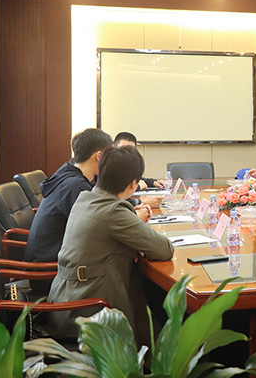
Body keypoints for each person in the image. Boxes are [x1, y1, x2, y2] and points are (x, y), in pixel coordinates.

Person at [47, 145, 173, 342]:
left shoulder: (86, 197)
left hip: (64, 298)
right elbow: (164, 249)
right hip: (86, 309)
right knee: (156, 302)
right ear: (133, 184)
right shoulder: (114, 211)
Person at [25, 128, 114, 264]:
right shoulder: (74, 186)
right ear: (99, 156)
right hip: (51, 266)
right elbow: (96, 227)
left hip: (57, 254)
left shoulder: (71, 176)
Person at [113, 132, 163, 208]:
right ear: (113, 147)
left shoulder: (126, 164)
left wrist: (152, 182)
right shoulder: (108, 166)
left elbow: (133, 178)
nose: (126, 154)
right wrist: (138, 190)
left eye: (130, 150)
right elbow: (113, 198)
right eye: (122, 149)